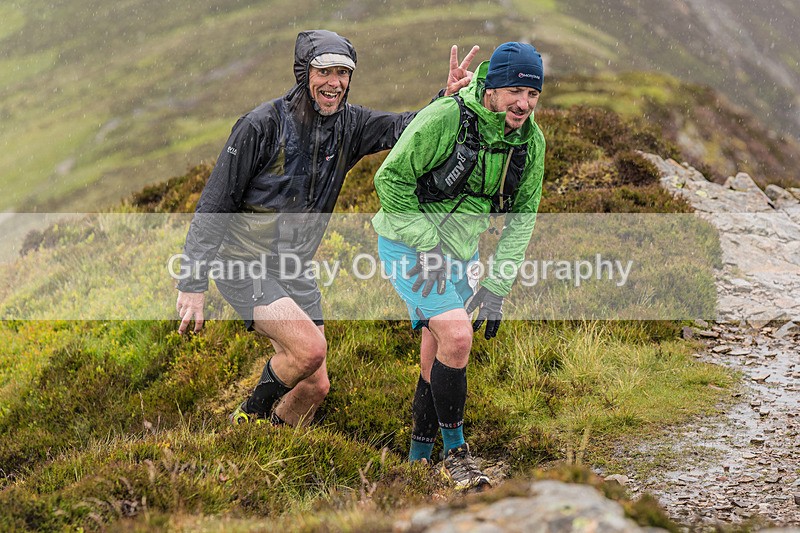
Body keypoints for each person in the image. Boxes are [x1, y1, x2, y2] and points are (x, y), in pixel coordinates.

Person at [175, 29, 478, 428]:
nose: (334, 83)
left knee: (315, 386)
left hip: (294, 268)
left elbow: (406, 127)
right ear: (304, 72)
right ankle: (244, 421)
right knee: (309, 349)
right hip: (243, 263)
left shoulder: (350, 124)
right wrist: (192, 282)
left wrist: (446, 99)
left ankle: (268, 443)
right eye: (324, 72)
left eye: (343, 73)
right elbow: (215, 202)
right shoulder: (260, 125)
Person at [371, 42, 546, 490]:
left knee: (437, 352)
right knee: (458, 336)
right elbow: (389, 180)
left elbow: (523, 217)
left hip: (460, 254)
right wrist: (427, 245)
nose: (523, 104)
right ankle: (457, 456)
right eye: (514, 92)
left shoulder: (530, 142)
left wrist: (498, 285)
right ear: (491, 88)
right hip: (409, 244)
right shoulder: (447, 118)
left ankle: (416, 464)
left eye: (532, 95)